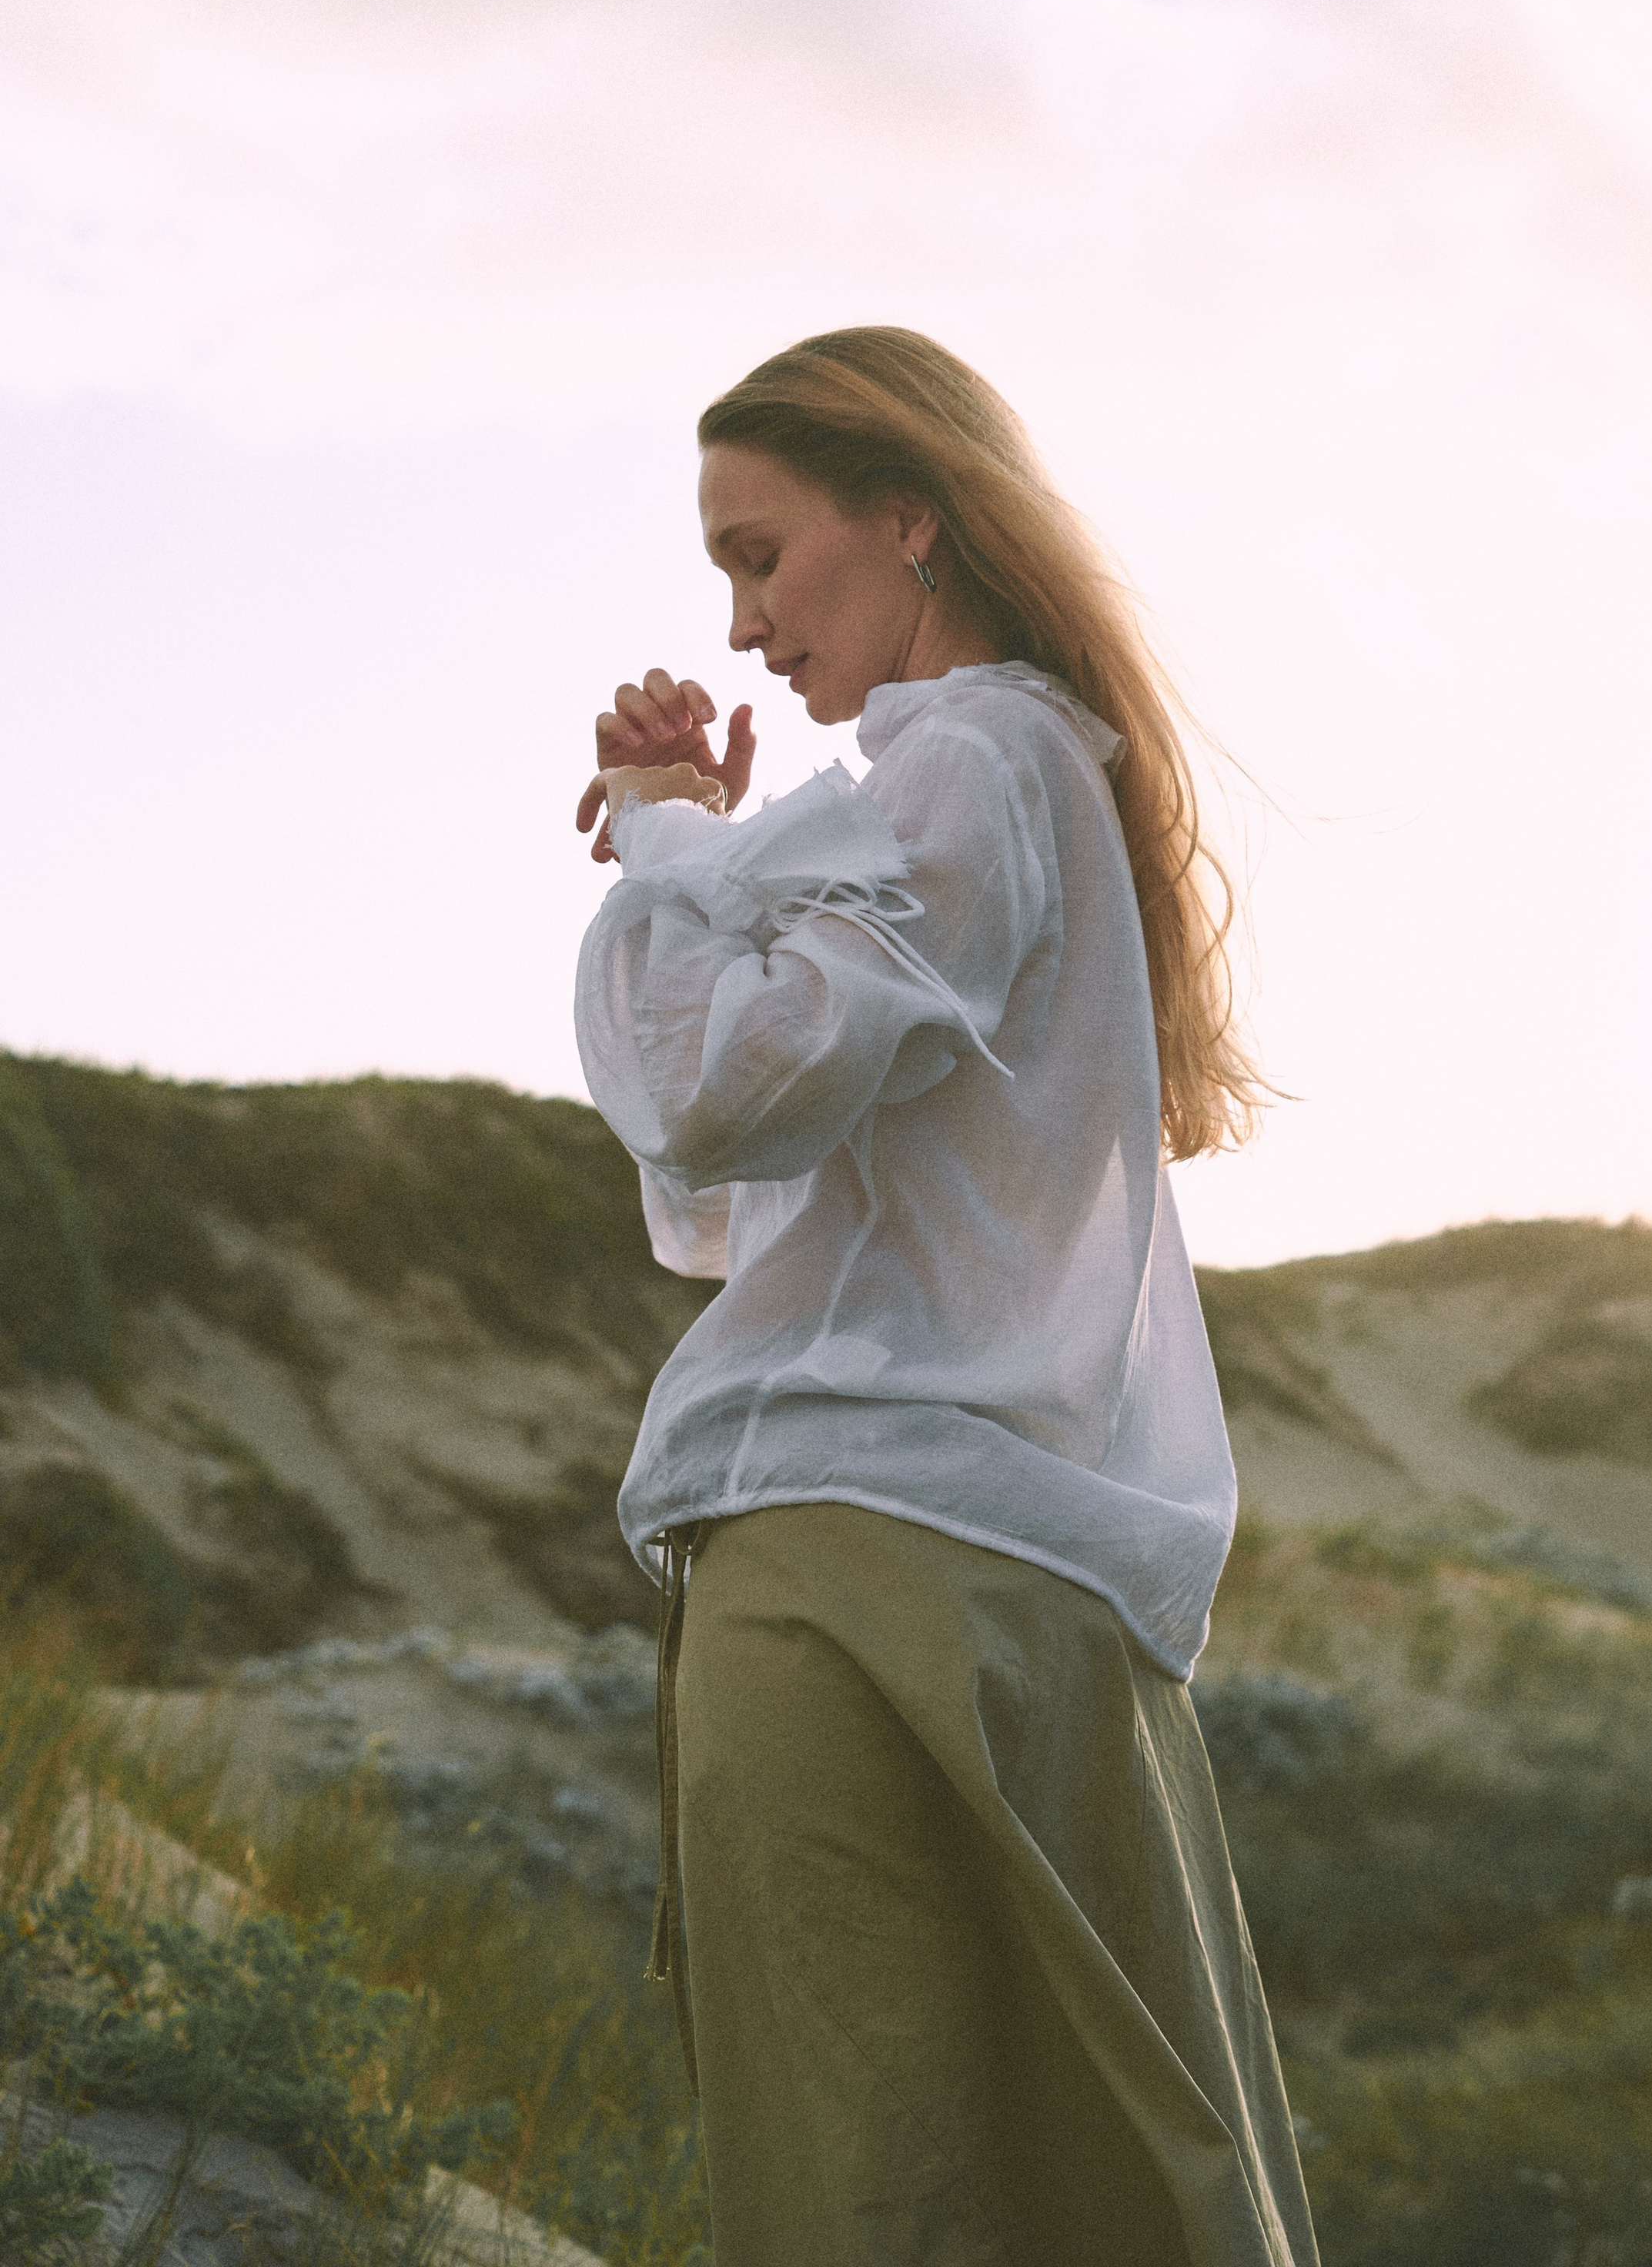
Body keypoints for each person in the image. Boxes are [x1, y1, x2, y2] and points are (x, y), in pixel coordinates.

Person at [574, 327, 1319, 2267]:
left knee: (861, 2180)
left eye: (759, 555)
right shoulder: (1015, 777)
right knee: (1100, 2173)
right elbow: (759, 1177)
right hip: (1023, 1578)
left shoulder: (964, 761)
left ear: (908, 515)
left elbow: (718, 1091)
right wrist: (717, 848)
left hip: (856, 1563)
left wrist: (661, 841)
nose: (740, 625)